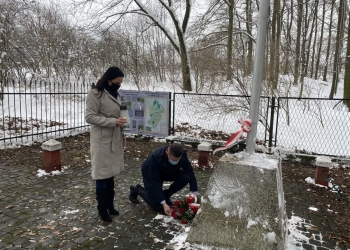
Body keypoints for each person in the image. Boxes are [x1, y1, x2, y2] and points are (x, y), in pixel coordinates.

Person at [85, 66, 127, 222]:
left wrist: (122, 122)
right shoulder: (95, 94)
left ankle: (110, 206)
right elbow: (89, 117)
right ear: (109, 80)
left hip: (114, 137)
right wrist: (113, 121)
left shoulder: (115, 94)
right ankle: (102, 209)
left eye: (121, 83)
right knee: (102, 176)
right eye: (117, 82)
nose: (119, 85)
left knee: (110, 175)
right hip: (101, 140)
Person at [129, 143, 199, 216]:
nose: (175, 162)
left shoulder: (182, 153)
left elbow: (189, 171)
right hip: (150, 174)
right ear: (167, 152)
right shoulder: (156, 157)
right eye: (173, 160)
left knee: (186, 177)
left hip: (169, 171)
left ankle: (165, 195)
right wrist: (163, 203)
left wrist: (194, 192)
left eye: (177, 160)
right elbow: (155, 183)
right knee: (157, 206)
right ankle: (137, 189)